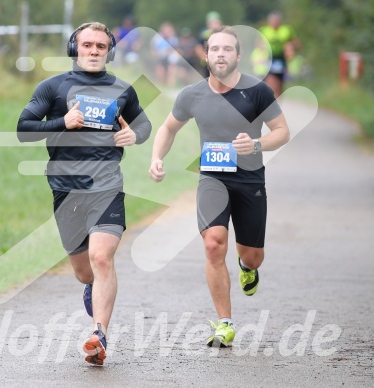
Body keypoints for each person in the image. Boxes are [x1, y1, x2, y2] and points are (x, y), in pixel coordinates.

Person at [16, 22, 152, 365]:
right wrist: (62, 122)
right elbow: (24, 129)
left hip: (107, 186)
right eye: (87, 45)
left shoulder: (123, 90)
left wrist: (133, 136)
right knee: (83, 270)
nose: (93, 51)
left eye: (100, 46)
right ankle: (91, 287)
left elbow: (144, 125)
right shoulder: (53, 87)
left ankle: (99, 334)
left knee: (102, 257)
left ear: (109, 51)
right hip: (65, 189)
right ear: (74, 48)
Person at [149, 27, 290, 348]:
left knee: (253, 256)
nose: (221, 54)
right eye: (215, 49)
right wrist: (157, 157)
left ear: (238, 56)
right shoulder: (192, 95)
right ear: (206, 55)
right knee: (213, 244)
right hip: (212, 178)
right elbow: (168, 128)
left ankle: (246, 268)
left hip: (250, 180)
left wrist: (255, 144)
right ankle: (225, 323)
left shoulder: (257, 91)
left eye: (227, 49)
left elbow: (282, 131)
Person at [258, 12, 299, 98]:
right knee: (271, 82)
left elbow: (296, 43)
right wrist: (262, 52)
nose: (275, 22)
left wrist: (290, 47)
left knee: (280, 86)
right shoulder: (264, 30)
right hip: (269, 59)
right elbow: (259, 44)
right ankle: (271, 101)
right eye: (273, 20)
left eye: (277, 20)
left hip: (282, 60)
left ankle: (277, 100)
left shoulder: (287, 30)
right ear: (269, 21)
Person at [195, 11, 223, 78]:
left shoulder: (224, 32)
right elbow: (198, 47)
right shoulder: (204, 33)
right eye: (211, 23)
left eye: (215, 23)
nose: (213, 25)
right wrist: (203, 57)